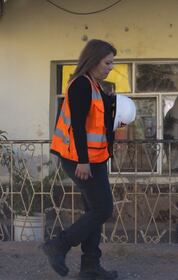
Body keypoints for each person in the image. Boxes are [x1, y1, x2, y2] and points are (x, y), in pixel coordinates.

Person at [43, 39, 118, 280]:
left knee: (93, 210)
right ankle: (59, 245)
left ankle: (90, 267)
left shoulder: (95, 87)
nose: (111, 67)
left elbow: (100, 125)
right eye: (107, 62)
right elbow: (76, 125)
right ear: (94, 60)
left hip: (95, 158)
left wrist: (113, 104)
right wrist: (83, 162)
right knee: (103, 209)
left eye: (112, 63)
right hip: (79, 159)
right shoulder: (80, 86)